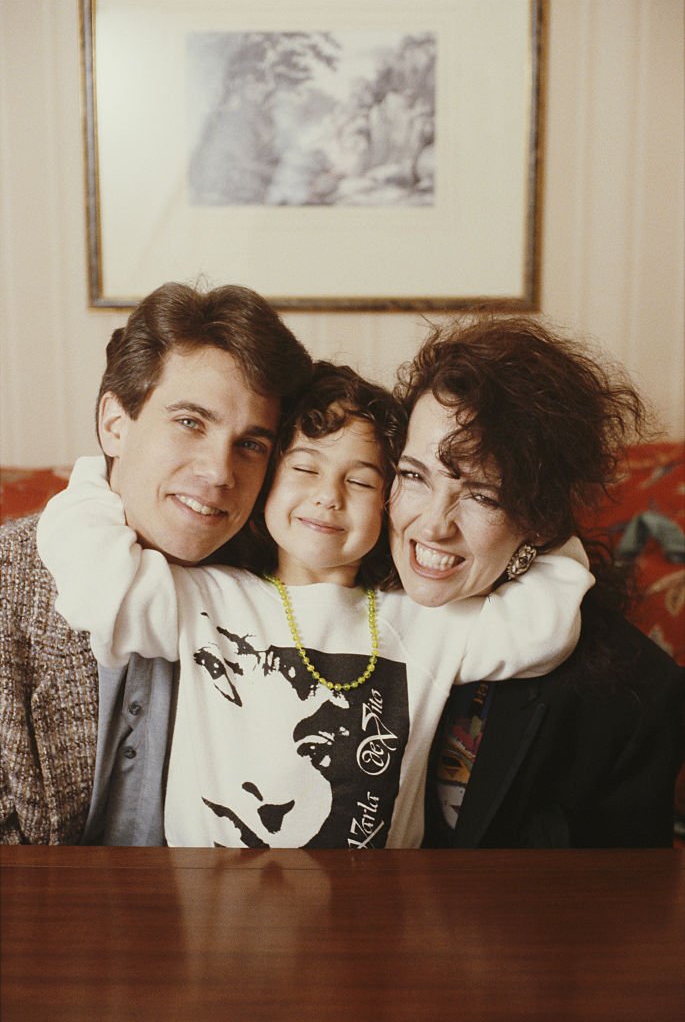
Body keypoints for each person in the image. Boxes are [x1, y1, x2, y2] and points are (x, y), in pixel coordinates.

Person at [37, 361, 592, 848]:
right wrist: (99, 467)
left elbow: (544, 626)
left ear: (393, 502)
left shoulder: (426, 623)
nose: (329, 496)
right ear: (265, 485)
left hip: (370, 909)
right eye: (305, 469)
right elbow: (96, 580)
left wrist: (540, 517)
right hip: (201, 897)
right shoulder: (205, 597)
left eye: (362, 480)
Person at [0, 281, 313, 844]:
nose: (220, 472)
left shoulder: (286, 580)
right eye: (191, 422)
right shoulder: (9, 587)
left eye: (251, 444)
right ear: (114, 424)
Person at [387, 314, 685, 847]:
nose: (432, 524)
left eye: (481, 495)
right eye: (414, 476)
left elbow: (624, 910)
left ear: (540, 518)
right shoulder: (324, 591)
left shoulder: (636, 697)